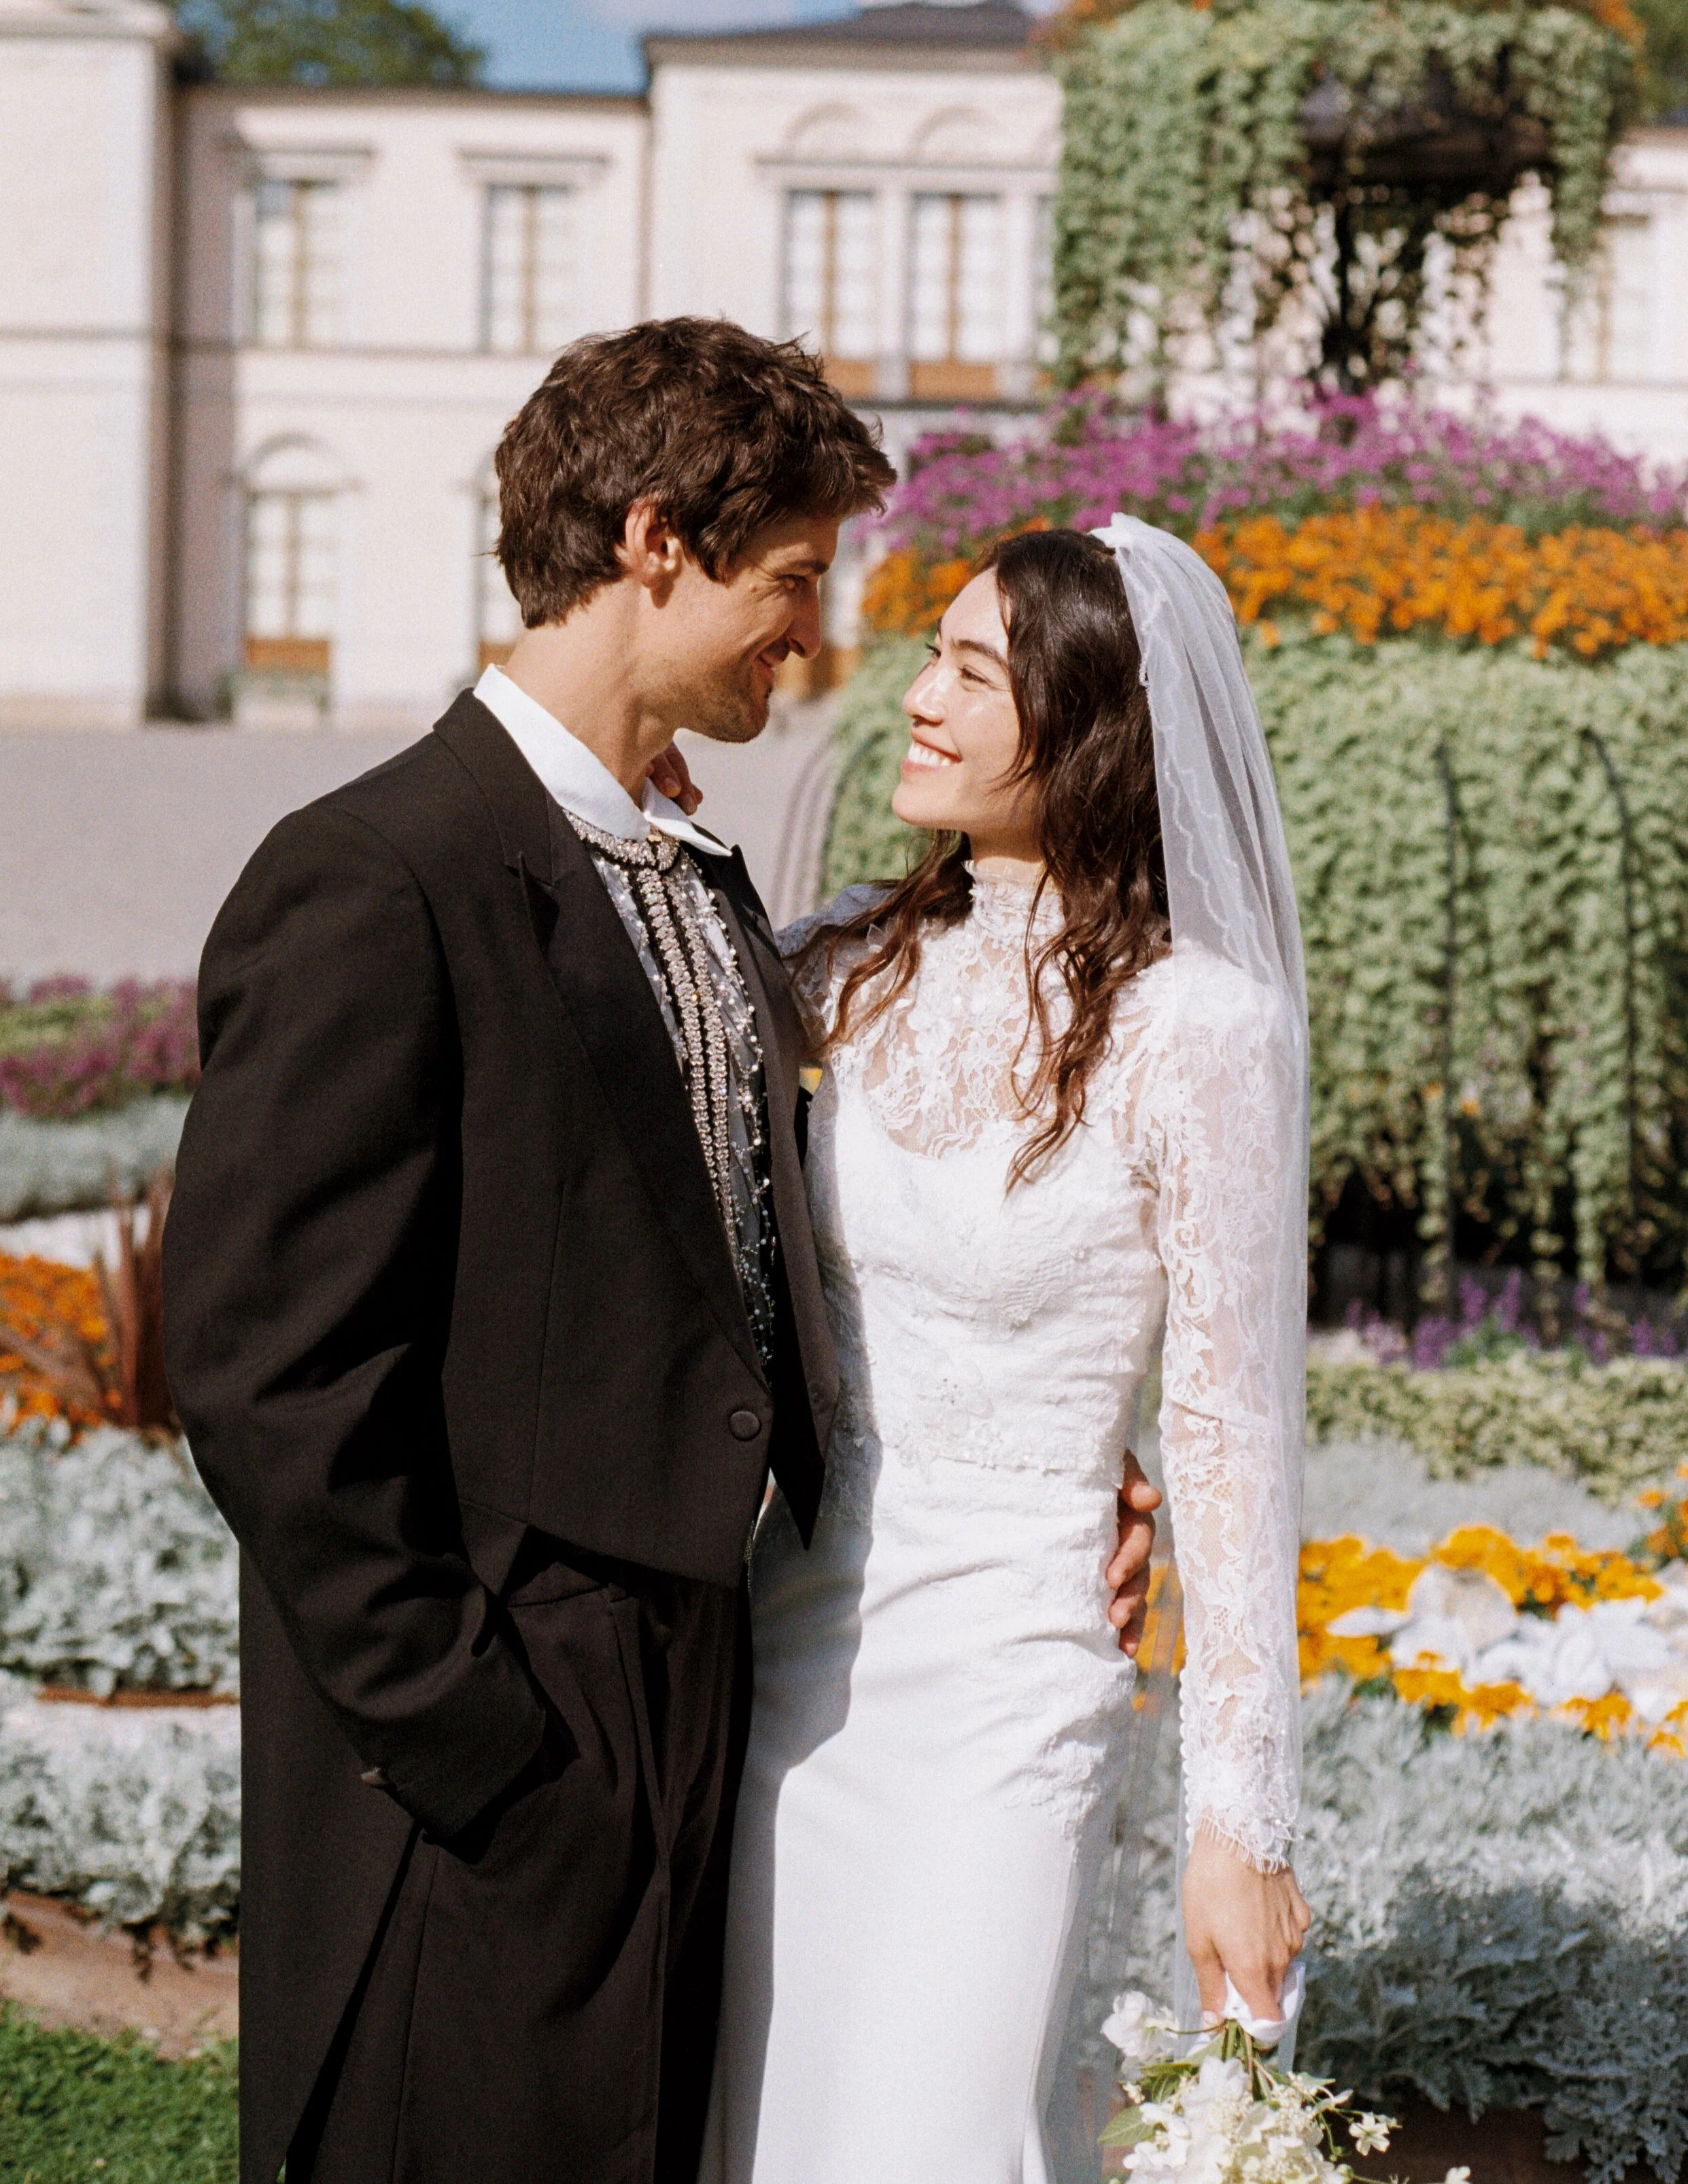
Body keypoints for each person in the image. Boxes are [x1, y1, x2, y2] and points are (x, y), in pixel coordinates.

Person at [160, 318, 1159, 2184]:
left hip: (711, 1706)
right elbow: (265, 1372)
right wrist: (482, 1742)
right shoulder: (375, 872)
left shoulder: (693, 879)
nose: (814, 637)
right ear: (650, 543)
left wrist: (1036, 1462)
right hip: (489, 1749)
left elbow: (763, 1255)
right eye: (790, 580)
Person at [701, 522, 1313, 2184]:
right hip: (788, 1641)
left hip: (1007, 1671)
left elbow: (1231, 1433)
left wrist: (1237, 1825)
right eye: (933, 655)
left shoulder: (1199, 1032)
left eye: (979, 671)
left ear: (1097, 722)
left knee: (928, 2127)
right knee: (754, 2117)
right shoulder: (839, 964)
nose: (918, 697)